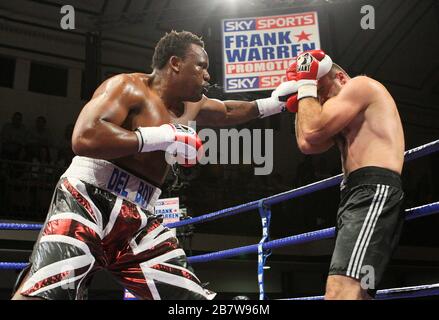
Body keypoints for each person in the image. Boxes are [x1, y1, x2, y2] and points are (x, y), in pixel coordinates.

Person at [12, 30, 297, 300]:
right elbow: (84, 136)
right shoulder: (127, 87)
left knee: (191, 299)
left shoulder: (191, 106)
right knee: (45, 292)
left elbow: (228, 111)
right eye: (201, 66)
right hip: (86, 200)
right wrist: (160, 136)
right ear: (175, 63)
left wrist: (275, 103)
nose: (208, 75)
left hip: (139, 218)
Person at [291, 50, 405, 299]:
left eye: (322, 91)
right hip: (356, 194)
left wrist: (306, 84)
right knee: (357, 293)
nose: (320, 101)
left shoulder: (360, 85)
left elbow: (311, 132)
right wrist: (303, 94)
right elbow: (307, 145)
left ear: (340, 78)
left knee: (339, 290)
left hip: (373, 190)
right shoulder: (344, 115)